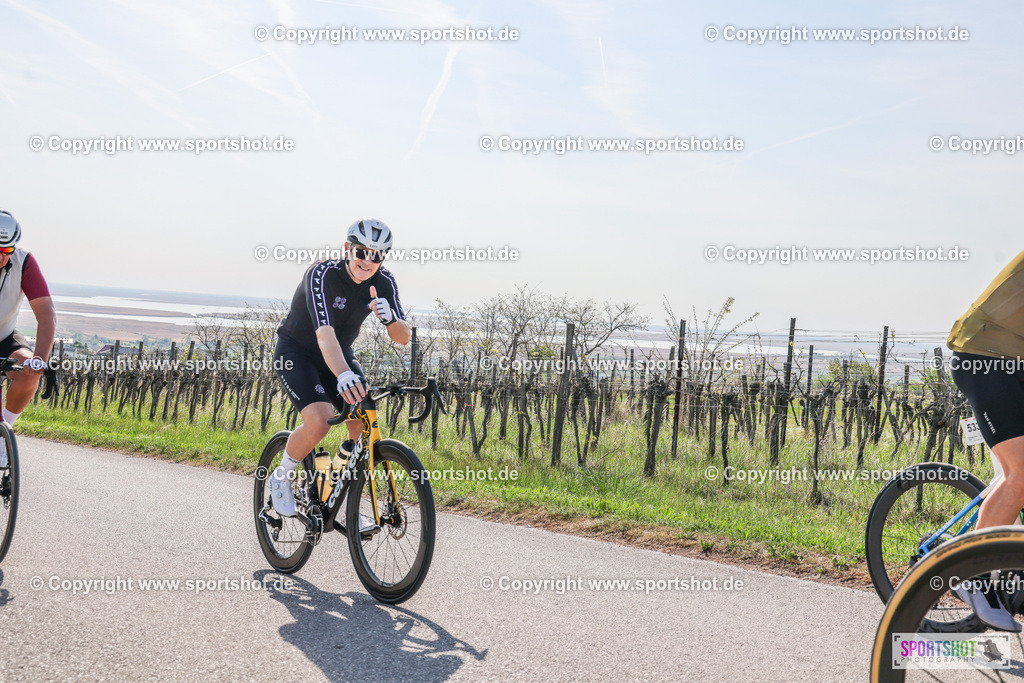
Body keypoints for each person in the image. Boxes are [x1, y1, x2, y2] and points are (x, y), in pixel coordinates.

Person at [269, 219, 410, 528]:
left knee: (362, 424)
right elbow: (324, 334)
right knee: (319, 422)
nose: (368, 262)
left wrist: (391, 321)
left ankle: (333, 486)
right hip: (297, 352)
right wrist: (344, 375)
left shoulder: (384, 281)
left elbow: (403, 337)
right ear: (348, 249)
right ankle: (280, 477)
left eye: (377, 255)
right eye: (362, 252)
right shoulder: (322, 274)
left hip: (339, 354)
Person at [948, 249, 1024, 631]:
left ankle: (1014, 572)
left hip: (1015, 361)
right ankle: (969, 576)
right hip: (985, 358)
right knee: (1021, 476)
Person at [0, 210, 56, 468]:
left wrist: (40, 361)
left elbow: (46, 315)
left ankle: (3, 436)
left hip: (5, 335)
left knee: (29, 370)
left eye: (6, 251)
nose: (1, 257)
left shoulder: (24, 262)